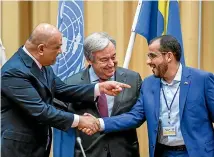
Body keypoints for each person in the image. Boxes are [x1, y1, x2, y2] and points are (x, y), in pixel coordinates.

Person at [1, 23, 130, 157]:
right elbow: (41, 110)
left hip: (37, 146)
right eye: (57, 47)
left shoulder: (41, 64)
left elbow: (62, 90)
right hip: (19, 149)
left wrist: (99, 88)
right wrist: (80, 120)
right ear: (41, 49)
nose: (61, 51)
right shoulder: (14, 72)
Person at [83, 35, 214, 157]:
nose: (148, 61)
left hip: (196, 152)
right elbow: (135, 116)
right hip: (163, 152)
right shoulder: (149, 84)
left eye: (152, 56)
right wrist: (99, 123)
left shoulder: (201, 80)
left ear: (168, 56)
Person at [60, 32, 142, 157]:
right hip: (88, 152)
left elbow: (138, 116)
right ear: (89, 60)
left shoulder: (133, 79)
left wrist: (100, 124)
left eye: (113, 57)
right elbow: (59, 117)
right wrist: (80, 122)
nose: (111, 63)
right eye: (104, 60)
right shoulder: (72, 83)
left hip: (124, 152)